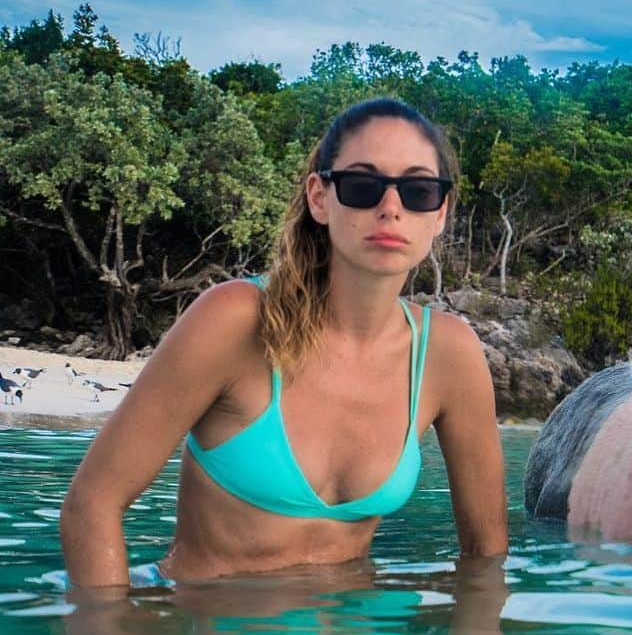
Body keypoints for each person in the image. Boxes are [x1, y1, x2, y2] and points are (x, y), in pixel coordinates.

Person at [61, 98, 507, 589]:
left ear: (440, 212)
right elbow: (93, 503)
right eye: (363, 185)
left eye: (418, 190)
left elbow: (486, 556)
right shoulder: (232, 322)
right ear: (320, 197)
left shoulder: (448, 354)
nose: (391, 208)